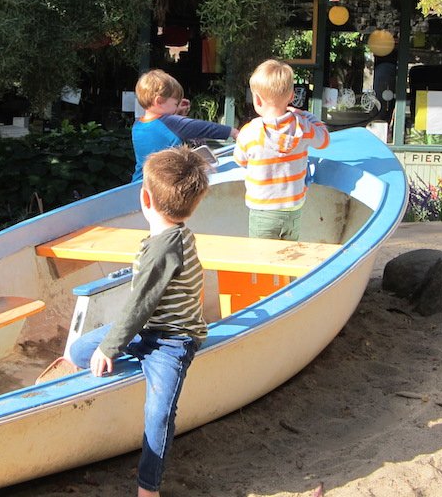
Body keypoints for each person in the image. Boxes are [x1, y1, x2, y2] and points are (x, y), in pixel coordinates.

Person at [69, 146, 210, 497]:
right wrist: (105, 346)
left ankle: (149, 488)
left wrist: (111, 346)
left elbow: (138, 306)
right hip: (146, 330)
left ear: (144, 197)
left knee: (159, 411)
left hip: (174, 339)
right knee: (78, 351)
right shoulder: (168, 236)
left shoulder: (163, 248)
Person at [233, 59, 330, 241]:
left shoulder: (250, 132)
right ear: (292, 96)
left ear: (257, 99)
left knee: (261, 260)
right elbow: (324, 139)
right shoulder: (303, 127)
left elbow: (240, 160)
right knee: (287, 258)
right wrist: (305, 115)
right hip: (293, 208)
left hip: (262, 211)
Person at [131, 69, 238, 182]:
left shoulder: (137, 125)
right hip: (164, 185)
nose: (176, 107)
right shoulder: (171, 123)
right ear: (159, 101)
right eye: (175, 103)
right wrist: (233, 132)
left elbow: (161, 132)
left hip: (139, 183)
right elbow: (203, 127)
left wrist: (176, 111)